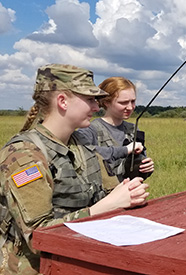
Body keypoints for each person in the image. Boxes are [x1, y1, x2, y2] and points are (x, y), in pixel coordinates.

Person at [0, 64, 150, 274]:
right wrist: (104, 207)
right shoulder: (24, 156)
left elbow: (111, 192)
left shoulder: (81, 145)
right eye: (90, 99)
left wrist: (129, 193)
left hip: (78, 261)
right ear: (62, 101)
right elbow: (37, 237)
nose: (96, 107)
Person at [77, 77, 154, 182]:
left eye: (133, 101)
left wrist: (145, 167)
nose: (130, 107)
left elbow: (137, 164)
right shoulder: (89, 130)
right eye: (123, 102)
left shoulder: (132, 129)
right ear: (106, 102)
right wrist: (125, 150)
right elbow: (84, 154)